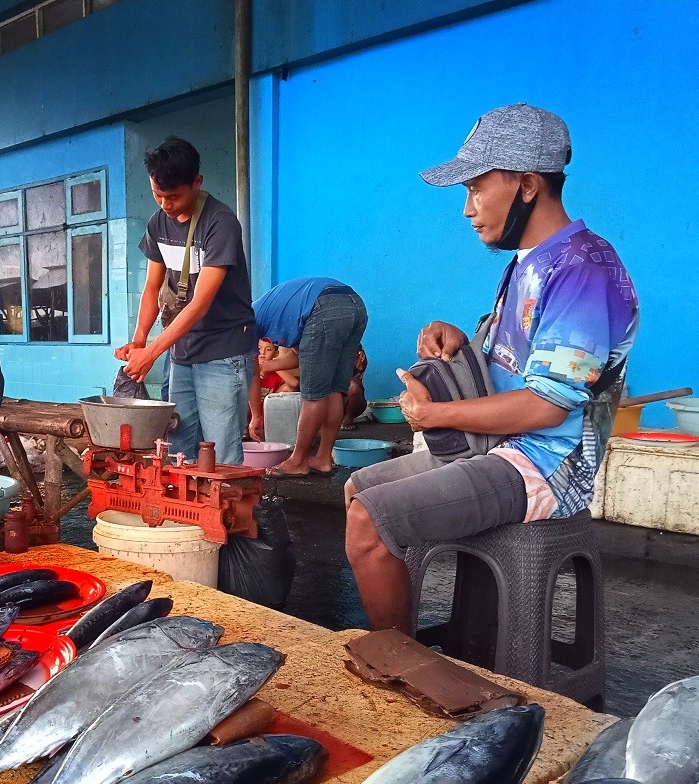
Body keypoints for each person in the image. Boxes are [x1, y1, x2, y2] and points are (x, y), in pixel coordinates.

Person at [344, 103, 638, 634]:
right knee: (357, 490)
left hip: (547, 466)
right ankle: (416, 648)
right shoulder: (528, 262)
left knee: (370, 520)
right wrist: (462, 339)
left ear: (526, 185)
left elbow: (547, 407)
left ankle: (401, 663)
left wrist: (434, 415)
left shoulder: (582, 268)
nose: (467, 209)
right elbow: (515, 361)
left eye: (476, 188)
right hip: (499, 448)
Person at [115, 136, 255, 465]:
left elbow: (199, 304)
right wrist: (139, 340)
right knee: (180, 447)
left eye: (173, 196)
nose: (165, 204)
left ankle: (230, 502)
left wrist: (152, 352)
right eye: (157, 194)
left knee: (221, 453)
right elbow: (152, 288)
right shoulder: (158, 224)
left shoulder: (220, 223)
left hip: (223, 351)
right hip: (182, 352)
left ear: (196, 183)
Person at [248, 277, 368, 475]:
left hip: (324, 307)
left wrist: (256, 416)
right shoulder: (273, 311)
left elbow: (253, 375)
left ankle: (298, 461)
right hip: (355, 305)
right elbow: (301, 356)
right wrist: (268, 365)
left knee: (314, 393)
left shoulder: (246, 323)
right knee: (334, 389)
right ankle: (323, 459)